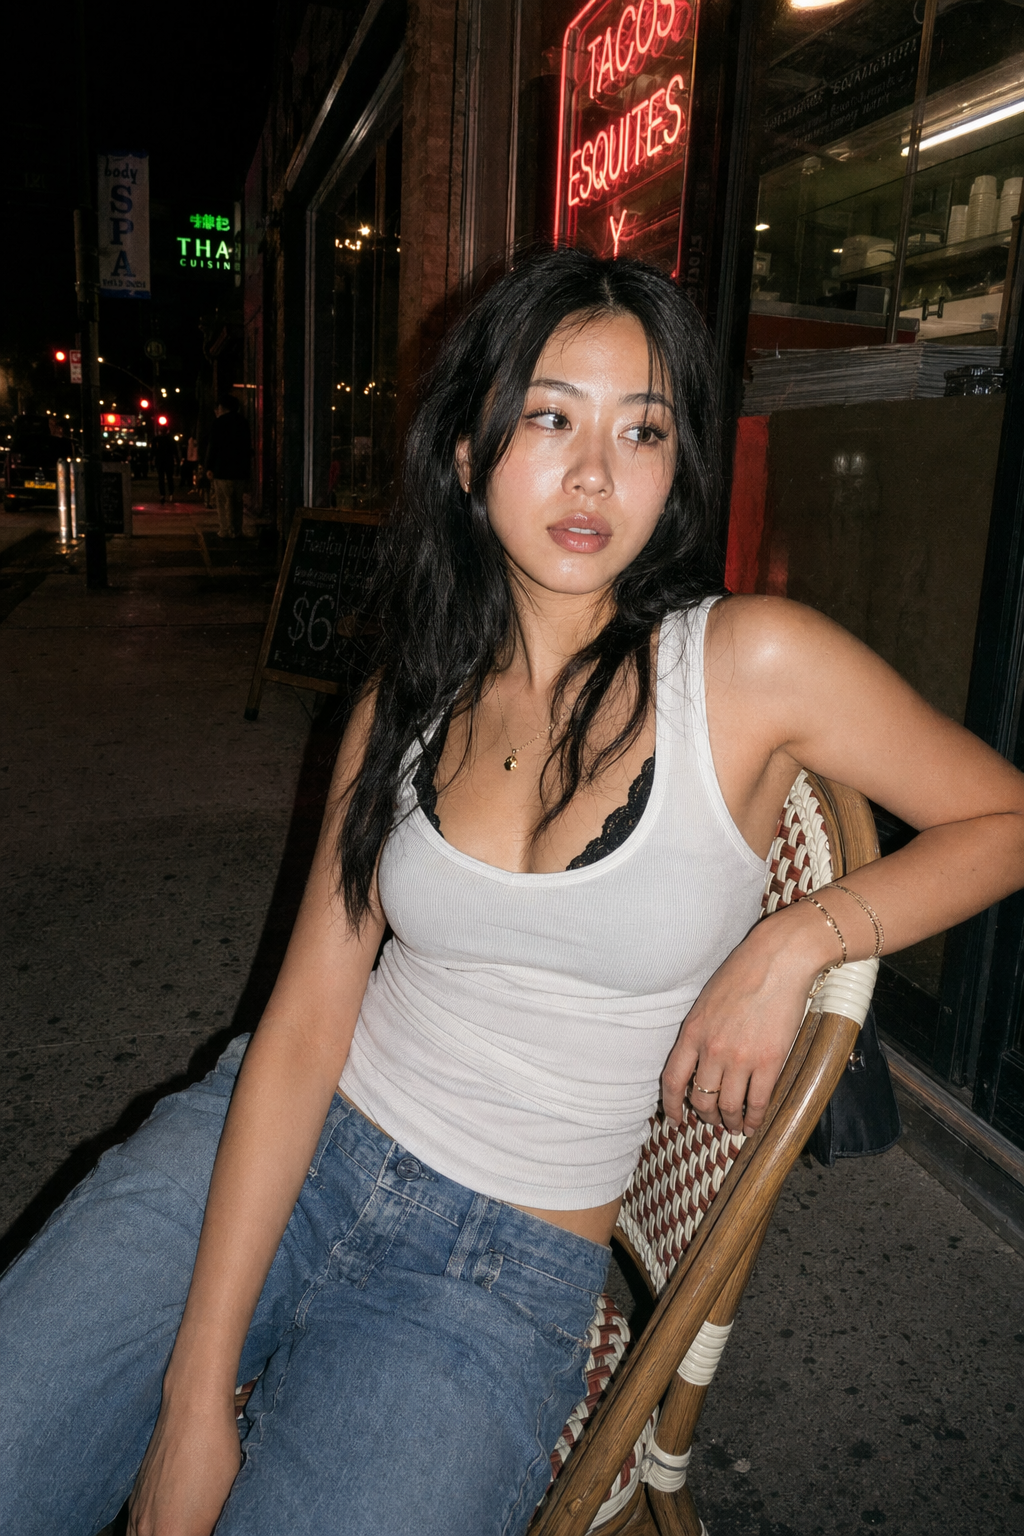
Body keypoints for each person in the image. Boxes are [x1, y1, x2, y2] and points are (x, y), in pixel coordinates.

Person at [3, 249, 1024, 1536]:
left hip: (494, 1272)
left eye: (639, 429)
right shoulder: (401, 701)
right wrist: (196, 1398)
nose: (595, 472)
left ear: (677, 467)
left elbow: (1005, 818)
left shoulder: (749, 665)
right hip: (279, 1147)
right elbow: (308, 1024)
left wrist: (799, 937)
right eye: (549, 416)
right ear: (468, 457)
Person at [205, 394, 251, 538]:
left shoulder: (218, 423)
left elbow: (213, 447)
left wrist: (209, 467)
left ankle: (225, 529)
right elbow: (247, 447)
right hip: (239, 470)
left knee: (223, 501)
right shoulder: (243, 422)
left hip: (222, 469)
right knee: (237, 502)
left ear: (222, 407)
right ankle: (236, 529)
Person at [152, 428, 179, 503]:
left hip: (160, 461)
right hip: (168, 461)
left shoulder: (156, 439)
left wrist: (152, 460)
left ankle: (163, 494)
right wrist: (177, 460)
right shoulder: (171, 439)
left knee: (161, 478)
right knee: (169, 477)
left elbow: (153, 451)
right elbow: (175, 451)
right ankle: (170, 493)